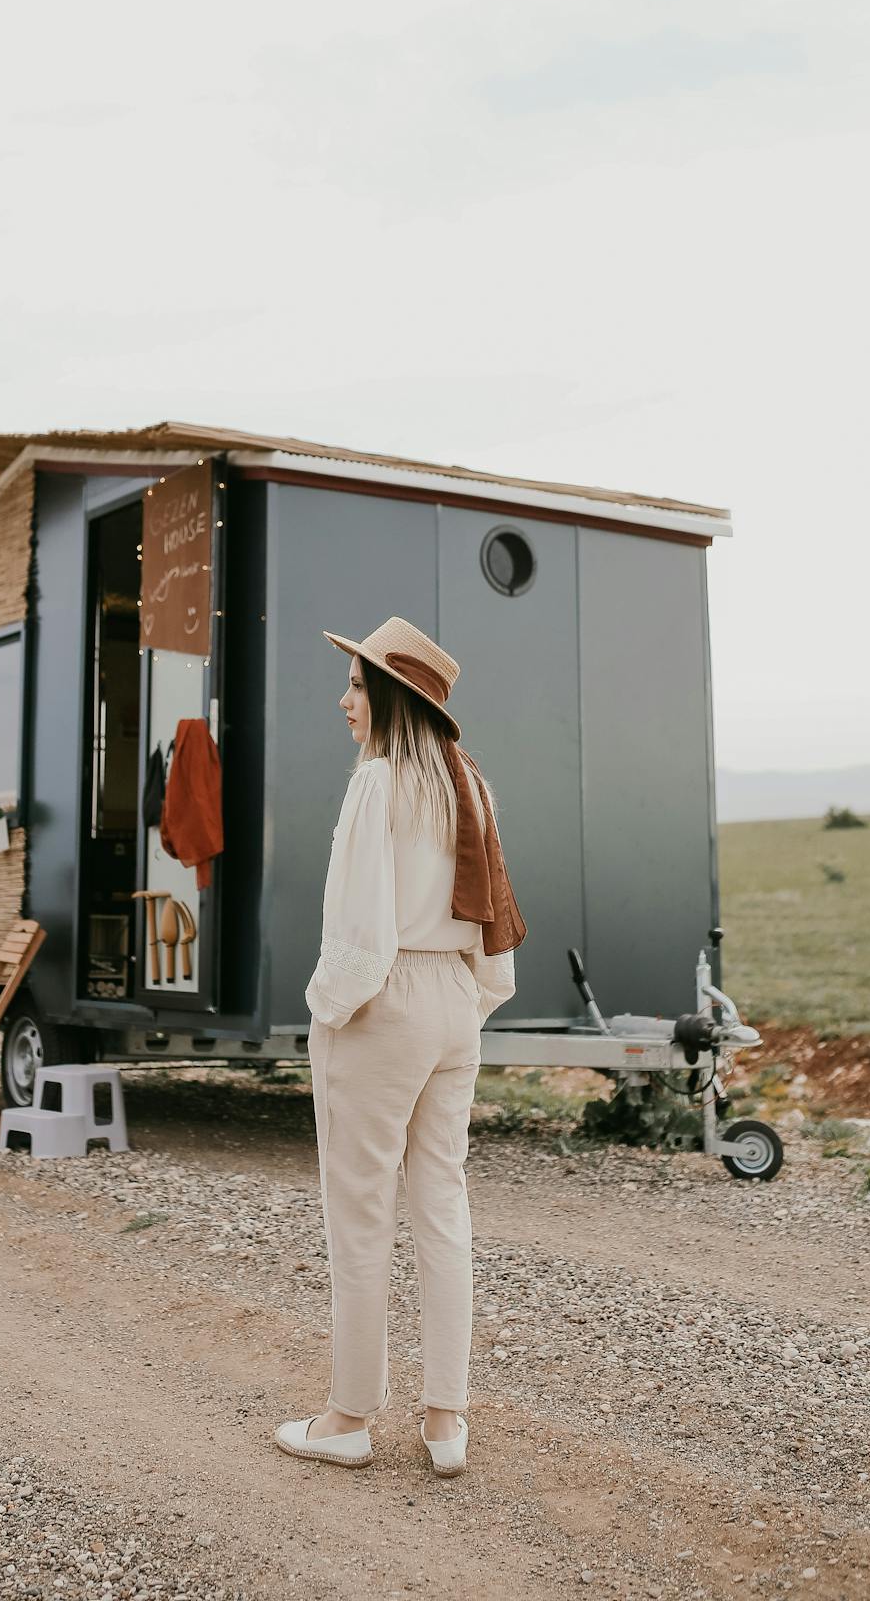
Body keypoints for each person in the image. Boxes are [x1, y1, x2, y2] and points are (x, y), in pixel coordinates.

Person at [275, 616, 520, 1475]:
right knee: (441, 1207)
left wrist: (328, 1005)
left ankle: (347, 1419)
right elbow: (492, 921)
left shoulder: (377, 783)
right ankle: (445, 1421)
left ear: (389, 696)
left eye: (355, 684)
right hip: (454, 994)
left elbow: (359, 922)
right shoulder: (471, 787)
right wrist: (473, 998)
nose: (343, 700)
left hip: (387, 998)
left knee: (359, 1215)